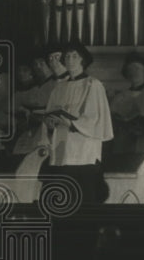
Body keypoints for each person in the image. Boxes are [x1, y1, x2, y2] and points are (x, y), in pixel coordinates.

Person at [40, 41, 113, 203]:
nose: (70, 60)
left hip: (83, 150)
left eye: (74, 56)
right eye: (67, 57)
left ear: (82, 60)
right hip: (61, 147)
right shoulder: (59, 88)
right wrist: (50, 124)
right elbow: (49, 114)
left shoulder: (92, 84)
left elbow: (95, 118)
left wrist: (71, 124)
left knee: (83, 196)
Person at [108, 51, 144, 156]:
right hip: (124, 143)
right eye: (130, 69)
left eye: (137, 68)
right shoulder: (119, 97)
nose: (134, 72)